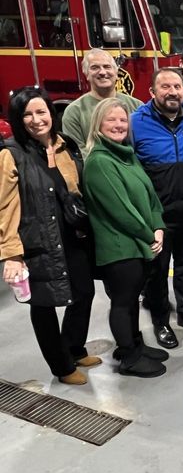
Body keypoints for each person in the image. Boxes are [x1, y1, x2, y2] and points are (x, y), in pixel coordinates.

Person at [0, 88, 98, 385]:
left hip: (71, 235)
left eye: (41, 111)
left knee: (84, 292)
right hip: (36, 240)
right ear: (18, 119)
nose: (35, 119)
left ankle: (74, 347)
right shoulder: (11, 153)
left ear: (51, 114)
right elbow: (5, 207)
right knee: (43, 306)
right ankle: (61, 366)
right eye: (26, 114)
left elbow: (76, 189)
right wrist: (12, 254)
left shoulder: (63, 145)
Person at [83, 98, 169, 378]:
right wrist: (148, 235)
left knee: (132, 300)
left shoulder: (127, 155)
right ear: (98, 124)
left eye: (123, 120)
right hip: (120, 248)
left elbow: (151, 196)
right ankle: (129, 358)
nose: (119, 125)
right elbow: (121, 211)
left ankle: (134, 344)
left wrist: (158, 226)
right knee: (123, 301)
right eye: (112, 120)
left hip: (140, 243)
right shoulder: (99, 162)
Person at [130, 68, 183, 349]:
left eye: (177, 86)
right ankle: (161, 321)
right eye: (165, 86)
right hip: (156, 215)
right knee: (157, 270)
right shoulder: (136, 123)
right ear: (152, 92)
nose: (172, 92)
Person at [61, 48, 143, 156]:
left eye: (107, 67)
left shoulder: (137, 106)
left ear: (116, 72)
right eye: (95, 68)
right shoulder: (74, 112)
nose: (103, 72)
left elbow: (145, 144)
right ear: (86, 74)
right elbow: (77, 153)